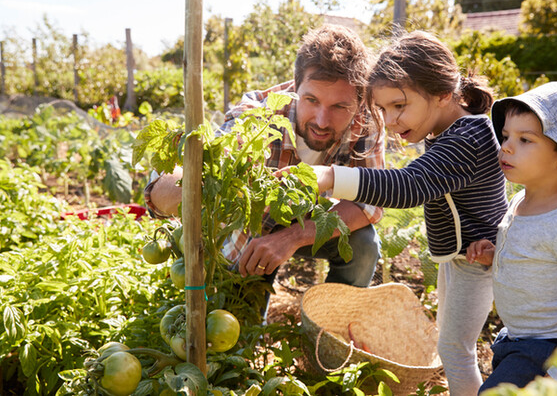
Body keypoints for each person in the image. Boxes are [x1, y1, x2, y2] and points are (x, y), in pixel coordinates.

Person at [300, 30, 508, 396]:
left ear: (444, 94)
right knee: (453, 342)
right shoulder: (448, 130)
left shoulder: (468, 138)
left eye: (399, 105)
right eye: (382, 109)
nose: (391, 120)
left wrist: (331, 177)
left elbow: (409, 185)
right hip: (461, 258)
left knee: (455, 351)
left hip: (477, 260)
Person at [145, 24, 385, 294]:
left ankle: (330, 327)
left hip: (313, 220)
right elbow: (197, 172)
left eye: (340, 107)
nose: (321, 120)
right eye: (312, 100)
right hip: (253, 231)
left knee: (364, 245)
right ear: (295, 86)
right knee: (240, 319)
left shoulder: (367, 121)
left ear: (359, 100)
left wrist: (293, 237)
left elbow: (370, 202)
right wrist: (178, 185)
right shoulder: (258, 115)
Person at [466, 81, 557, 392]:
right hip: (515, 340)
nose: (507, 147)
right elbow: (532, 257)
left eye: (525, 139)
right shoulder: (520, 201)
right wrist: (495, 254)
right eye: (506, 136)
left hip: (547, 350)